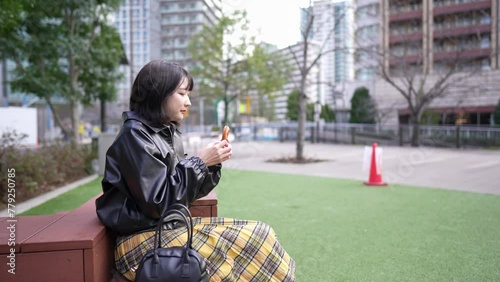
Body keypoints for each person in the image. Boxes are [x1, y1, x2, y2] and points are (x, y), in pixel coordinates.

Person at [95, 60, 295, 281]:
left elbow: (184, 193)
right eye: (182, 93)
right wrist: (199, 162)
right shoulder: (135, 136)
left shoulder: (164, 132)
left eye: (188, 94)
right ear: (158, 94)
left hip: (166, 228)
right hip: (142, 242)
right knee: (250, 240)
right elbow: (157, 203)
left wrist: (210, 164)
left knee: (262, 232)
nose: (188, 102)